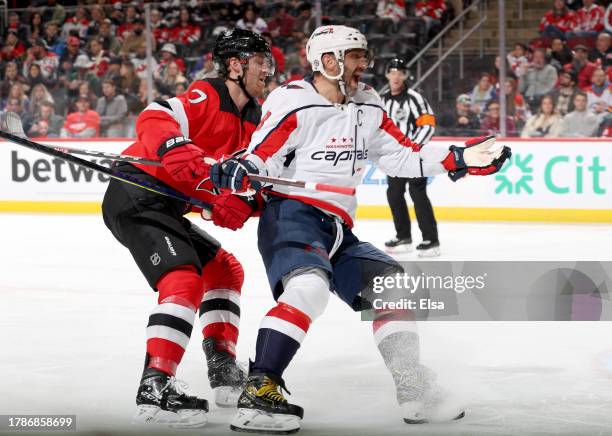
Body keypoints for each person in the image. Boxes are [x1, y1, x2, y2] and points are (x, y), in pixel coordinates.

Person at [210, 25, 510, 433]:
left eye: (363, 55)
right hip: (292, 215)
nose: (364, 64)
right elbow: (264, 154)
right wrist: (244, 169)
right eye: (355, 56)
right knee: (309, 289)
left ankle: (413, 386)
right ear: (327, 60)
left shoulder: (368, 103)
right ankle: (260, 388)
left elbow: (403, 157)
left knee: (392, 286)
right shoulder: (293, 101)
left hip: (337, 226)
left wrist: (458, 159)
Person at [100, 28, 274, 428]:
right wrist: (172, 145)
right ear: (236, 64)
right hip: (137, 192)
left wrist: (240, 204)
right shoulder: (207, 94)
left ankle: (223, 370)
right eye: (261, 61)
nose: (268, 69)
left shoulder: (254, 121)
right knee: (183, 279)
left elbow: (240, 183)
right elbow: (155, 115)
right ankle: (155, 389)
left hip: (168, 206)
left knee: (225, 270)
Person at [379, 58, 440, 256]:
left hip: (414, 156)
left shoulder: (415, 98)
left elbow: (428, 124)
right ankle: (403, 236)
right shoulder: (382, 100)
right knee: (394, 194)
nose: (396, 76)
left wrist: (412, 148)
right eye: (393, 72)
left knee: (418, 194)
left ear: (405, 76)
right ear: (387, 74)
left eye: (400, 72)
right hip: (394, 158)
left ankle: (431, 240)